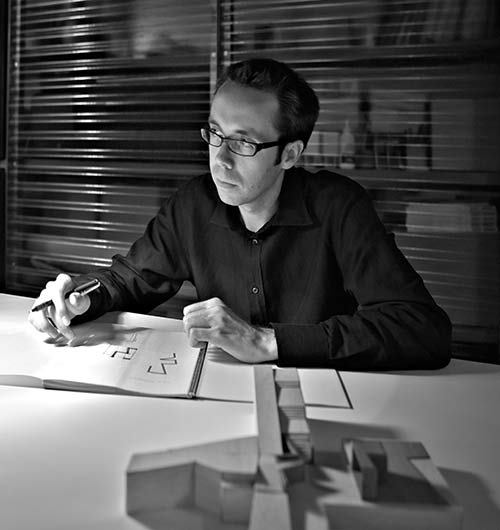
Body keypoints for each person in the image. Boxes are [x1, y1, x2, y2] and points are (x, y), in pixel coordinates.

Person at [28, 58, 451, 370]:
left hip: (322, 398)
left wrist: (267, 342)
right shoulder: (193, 204)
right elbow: (128, 280)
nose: (220, 159)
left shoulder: (338, 206)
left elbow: (422, 329)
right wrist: (80, 298)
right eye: (215, 133)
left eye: (243, 143)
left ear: (290, 154)